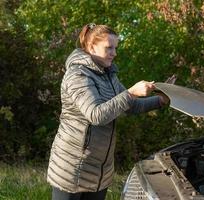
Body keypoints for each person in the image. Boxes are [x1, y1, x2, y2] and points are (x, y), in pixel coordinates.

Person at [47, 23, 170, 200]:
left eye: (115, 48)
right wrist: (130, 92)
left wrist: (161, 99)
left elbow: (132, 106)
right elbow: (96, 115)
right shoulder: (77, 75)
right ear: (91, 47)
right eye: (109, 48)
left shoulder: (108, 75)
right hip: (71, 168)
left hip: (100, 171)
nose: (114, 53)